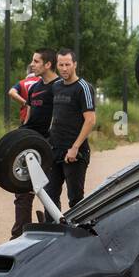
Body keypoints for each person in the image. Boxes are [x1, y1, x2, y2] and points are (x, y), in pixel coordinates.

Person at [11, 47, 60, 239]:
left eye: (36, 61)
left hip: (48, 147)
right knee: (22, 192)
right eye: (32, 61)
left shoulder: (59, 87)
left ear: (48, 64)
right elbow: (29, 118)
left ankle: (53, 234)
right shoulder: (35, 87)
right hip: (31, 145)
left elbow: (60, 119)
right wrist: (20, 137)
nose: (32, 64)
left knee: (48, 192)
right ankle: (19, 236)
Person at [45, 48, 97, 213]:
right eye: (61, 64)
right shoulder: (56, 86)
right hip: (54, 150)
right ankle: (53, 233)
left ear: (75, 65)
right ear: (57, 65)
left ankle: (77, 235)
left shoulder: (83, 87)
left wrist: (74, 148)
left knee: (75, 200)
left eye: (68, 64)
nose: (64, 68)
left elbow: (90, 120)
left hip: (75, 153)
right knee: (50, 197)